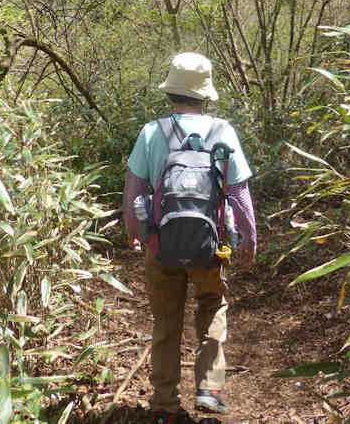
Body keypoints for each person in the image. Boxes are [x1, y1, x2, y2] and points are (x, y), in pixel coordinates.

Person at [123, 52, 257, 423]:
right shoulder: (223, 131)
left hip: (160, 246)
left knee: (166, 320)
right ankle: (210, 389)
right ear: (205, 93)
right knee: (212, 306)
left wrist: (134, 232)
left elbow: (134, 189)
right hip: (211, 247)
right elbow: (239, 192)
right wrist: (249, 237)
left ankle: (165, 405)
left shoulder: (151, 132)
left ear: (171, 91)